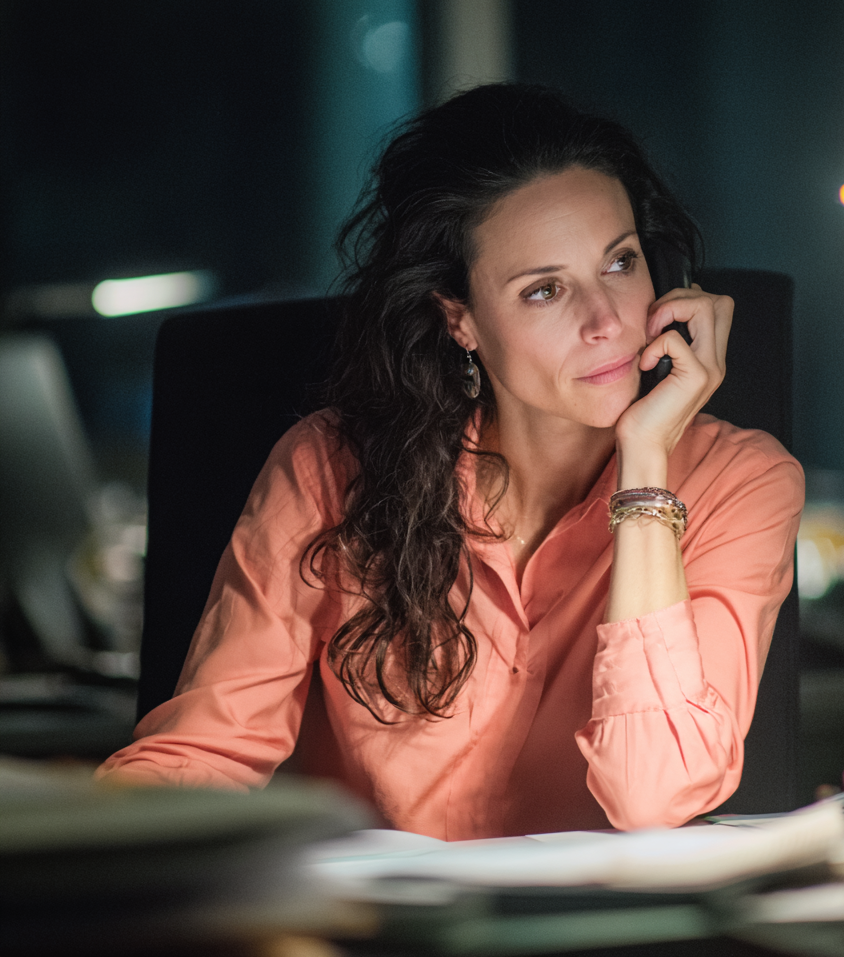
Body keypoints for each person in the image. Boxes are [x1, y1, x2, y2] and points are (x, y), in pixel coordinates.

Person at [97, 84, 803, 841]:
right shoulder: (330, 468)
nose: (605, 321)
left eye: (620, 263)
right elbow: (206, 752)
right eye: (544, 290)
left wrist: (644, 461)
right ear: (459, 318)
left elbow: (652, 796)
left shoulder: (743, 483)